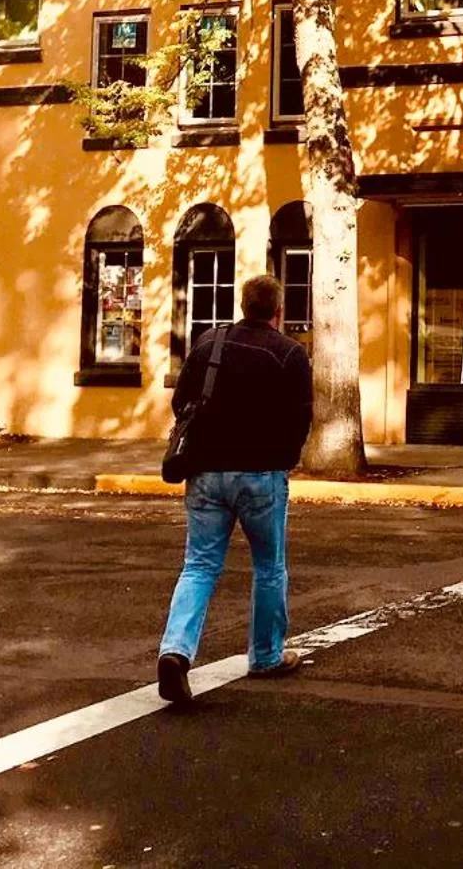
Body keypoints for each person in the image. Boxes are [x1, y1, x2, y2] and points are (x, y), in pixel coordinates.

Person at [156, 273, 314, 706]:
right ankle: (265, 655)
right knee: (269, 566)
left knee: (200, 565)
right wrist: (284, 456)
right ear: (277, 311)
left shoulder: (210, 345)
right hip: (262, 474)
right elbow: (302, 418)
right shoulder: (290, 354)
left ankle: (175, 651)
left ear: (243, 305)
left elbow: (181, 402)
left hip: (206, 472)